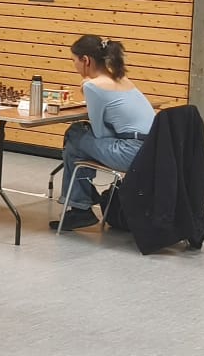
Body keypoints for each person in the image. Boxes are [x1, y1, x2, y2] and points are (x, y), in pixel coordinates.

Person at [53, 34, 157, 231]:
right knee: (78, 141)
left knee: (75, 134)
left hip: (130, 153)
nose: (74, 66)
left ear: (86, 60)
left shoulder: (93, 86)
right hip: (152, 150)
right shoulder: (122, 78)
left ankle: (80, 207)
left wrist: (87, 90)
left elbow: (101, 134)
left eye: (74, 61)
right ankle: (81, 201)